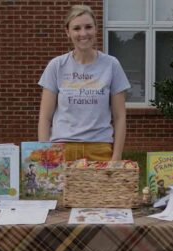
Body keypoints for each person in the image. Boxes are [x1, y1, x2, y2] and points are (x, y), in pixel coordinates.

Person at [38, 5, 130, 162]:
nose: (83, 33)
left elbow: (120, 116)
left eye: (88, 27)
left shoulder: (111, 65)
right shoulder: (56, 66)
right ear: (68, 32)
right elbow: (45, 118)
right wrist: (44, 153)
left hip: (99, 149)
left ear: (95, 29)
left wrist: (116, 156)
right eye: (76, 28)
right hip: (61, 149)